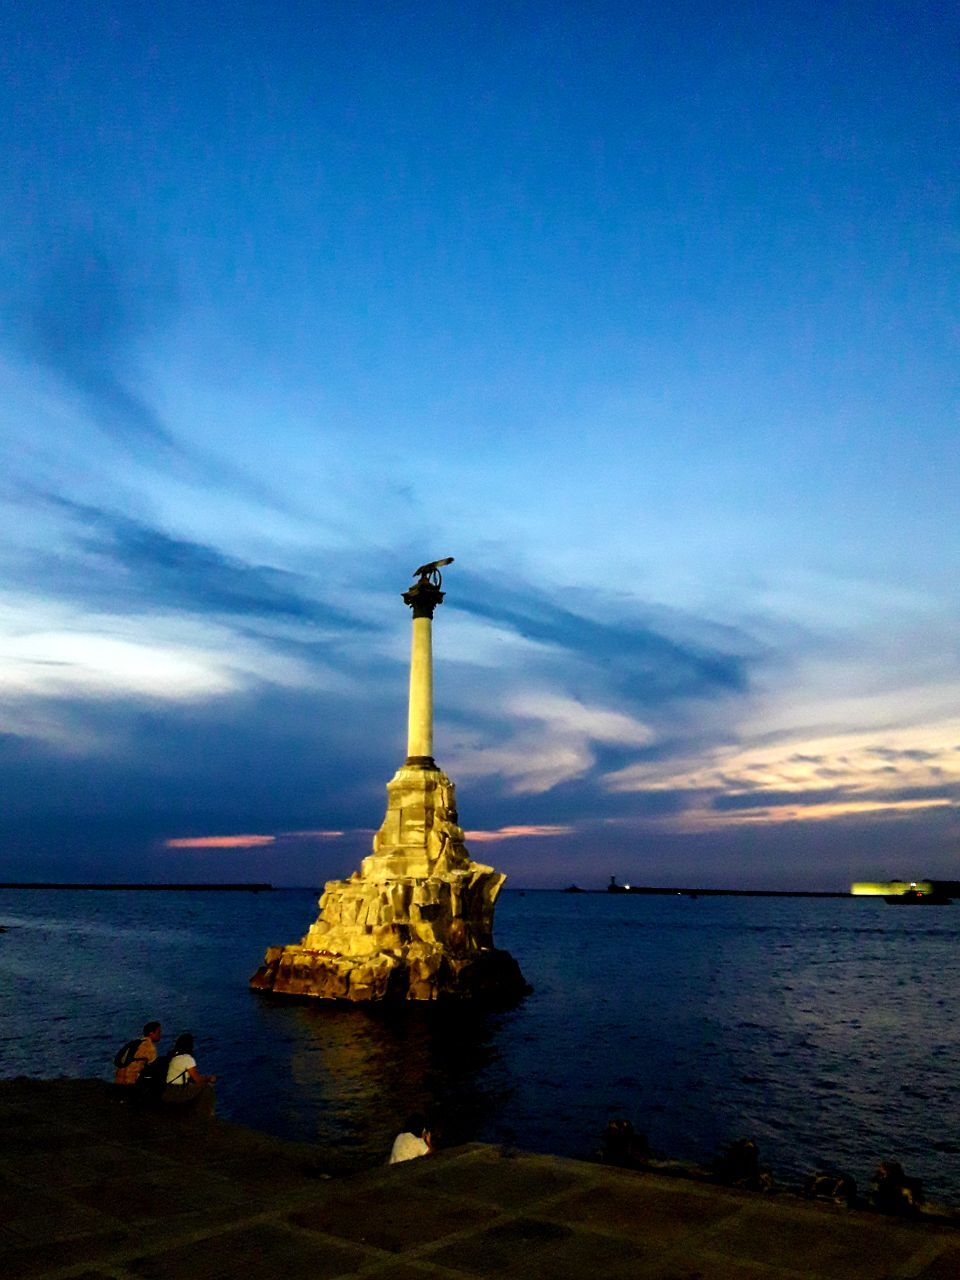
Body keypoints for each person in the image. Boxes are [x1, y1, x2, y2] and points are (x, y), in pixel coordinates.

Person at [162, 1031, 216, 1105]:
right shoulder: (187, 1059)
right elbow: (197, 1079)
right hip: (178, 1091)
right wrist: (209, 1078)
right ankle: (204, 1112)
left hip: (168, 1089)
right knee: (207, 1087)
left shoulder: (173, 1056)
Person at [114, 1020, 162, 1086]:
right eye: (158, 1032)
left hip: (118, 1080)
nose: (160, 1035)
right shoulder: (149, 1046)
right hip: (130, 1080)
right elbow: (154, 1067)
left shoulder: (135, 1043)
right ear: (151, 1033)